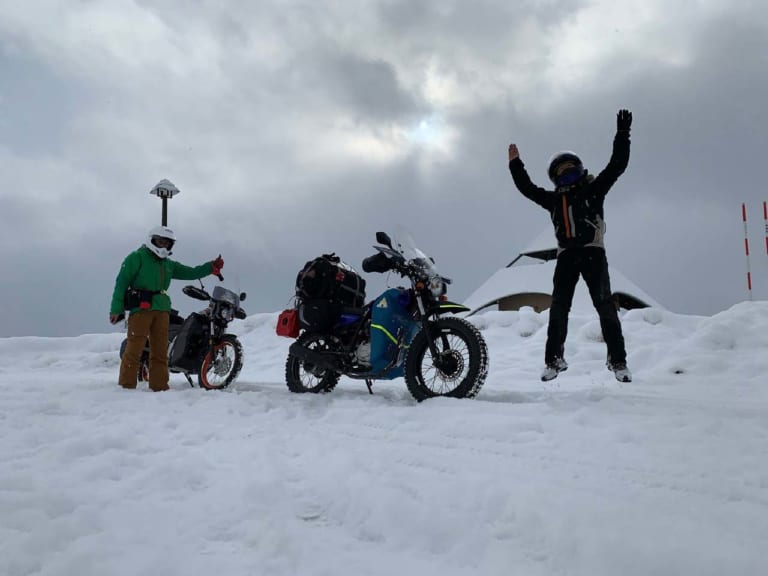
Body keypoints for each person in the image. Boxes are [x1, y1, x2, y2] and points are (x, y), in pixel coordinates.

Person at [507, 109, 633, 383]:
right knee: (559, 307)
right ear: (555, 180)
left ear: (580, 171)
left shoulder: (594, 189)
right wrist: (516, 165)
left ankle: (618, 361)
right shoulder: (553, 200)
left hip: (593, 252)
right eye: (561, 177)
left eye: (571, 173)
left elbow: (617, 165)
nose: (567, 180)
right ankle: (553, 360)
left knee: (605, 305)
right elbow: (528, 189)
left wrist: (623, 135)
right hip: (566, 257)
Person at [109, 225, 224, 391]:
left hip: (163, 310)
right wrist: (116, 309)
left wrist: (210, 267)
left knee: (160, 350)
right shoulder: (136, 257)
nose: (163, 246)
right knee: (135, 348)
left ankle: (160, 387)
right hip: (141, 309)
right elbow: (121, 283)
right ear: (152, 240)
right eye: (160, 241)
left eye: (167, 243)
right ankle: (126, 386)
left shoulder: (169, 264)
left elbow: (190, 272)